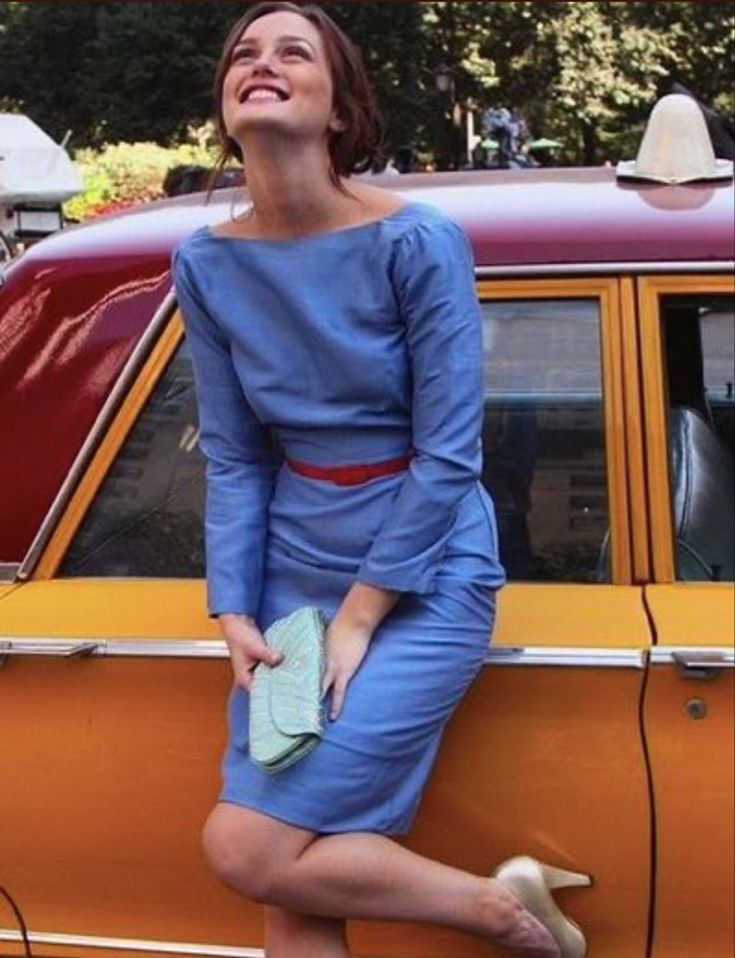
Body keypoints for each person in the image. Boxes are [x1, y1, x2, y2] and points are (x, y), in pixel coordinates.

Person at [172, 4, 591, 957]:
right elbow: (235, 453)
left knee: (250, 846)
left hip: (428, 572)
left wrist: (359, 617)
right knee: (293, 893)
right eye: (244, 53)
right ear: (227, 100)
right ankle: (503, 898)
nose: (261, 63)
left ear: (337, 108)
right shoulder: (204, 259)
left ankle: (496, 910)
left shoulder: (416, 241)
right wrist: (234, 609)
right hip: (289, 574)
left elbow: (449, 456)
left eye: (292, 52)